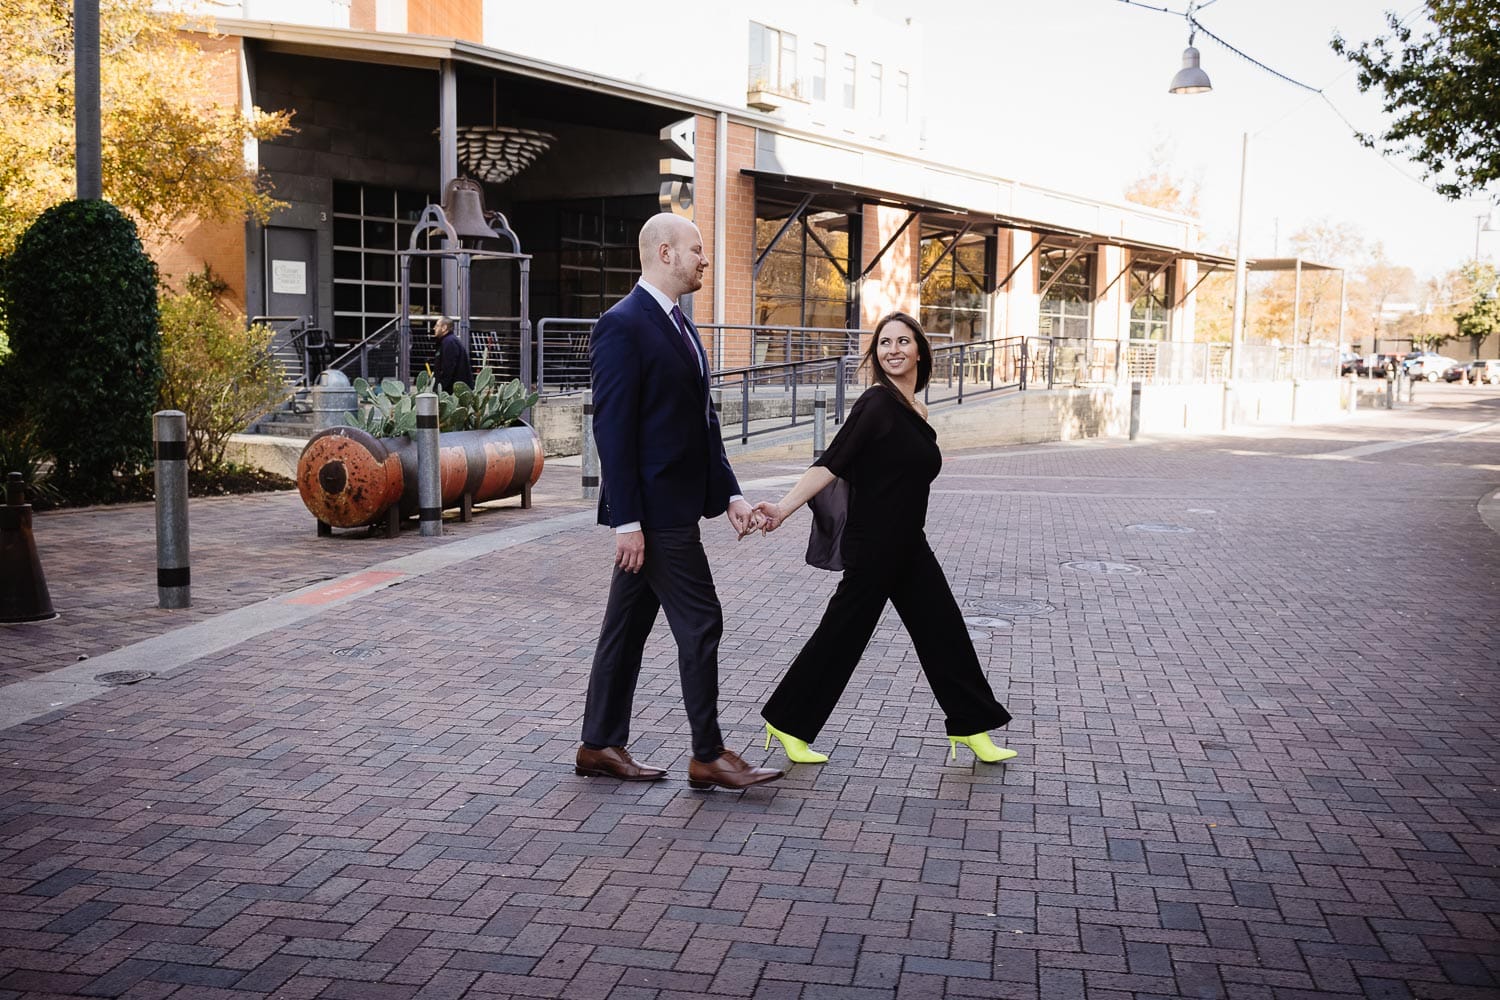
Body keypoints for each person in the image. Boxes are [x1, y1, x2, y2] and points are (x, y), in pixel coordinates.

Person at [753, 312, 1016, 766]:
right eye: (884, 343)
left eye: (902, 341)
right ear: (876, 354)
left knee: (944, 631)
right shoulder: (875, 404)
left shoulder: (917, 408)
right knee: (841, 636)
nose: (892, 349)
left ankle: (972, 727)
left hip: (908, 544)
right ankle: (788, 723)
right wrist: (782, 508)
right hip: (874, 547)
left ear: (919, 350)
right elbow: (830, 463)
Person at [578, 212, 783, 792]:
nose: (704, 260)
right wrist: (628, 521)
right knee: (701, 622)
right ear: (665, 253)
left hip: (676, 505)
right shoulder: (622, 324)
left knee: (624, 629)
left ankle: (597, 744)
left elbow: (702, 425)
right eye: (696, 250)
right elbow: (613, 432)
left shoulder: (681, 326)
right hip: (656, 515)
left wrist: (730, 496)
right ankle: (708, 754)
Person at [431, 318, 471, 390]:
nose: (434, 328)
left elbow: (448, 368)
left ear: (444, 328)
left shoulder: (449, 342)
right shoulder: (449, 341)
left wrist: (441, 388)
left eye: (437, 326)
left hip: (452, 390)